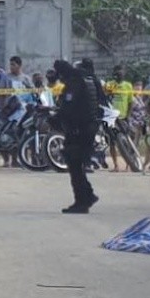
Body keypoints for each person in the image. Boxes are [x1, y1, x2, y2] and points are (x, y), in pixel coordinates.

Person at [52, 59, 100, 214]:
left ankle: (81, 201)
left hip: (79, 129)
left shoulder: (74, 83)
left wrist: (55, 118)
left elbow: (69, 108)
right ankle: (88, 195)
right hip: (89, 126)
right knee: (78, 164)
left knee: (74, 164)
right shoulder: (88, 79)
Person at [106, 65, 135, 171]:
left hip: (123, 117)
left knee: (128, 139)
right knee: (112, 142)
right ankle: (116, 165)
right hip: (111, 118)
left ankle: (129, 163)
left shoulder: (128, 86)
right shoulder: (110, 85)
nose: (119, 74)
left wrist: (128, 115)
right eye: (117, 72)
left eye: (121, 72)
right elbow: (105, 97)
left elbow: (131, 102)